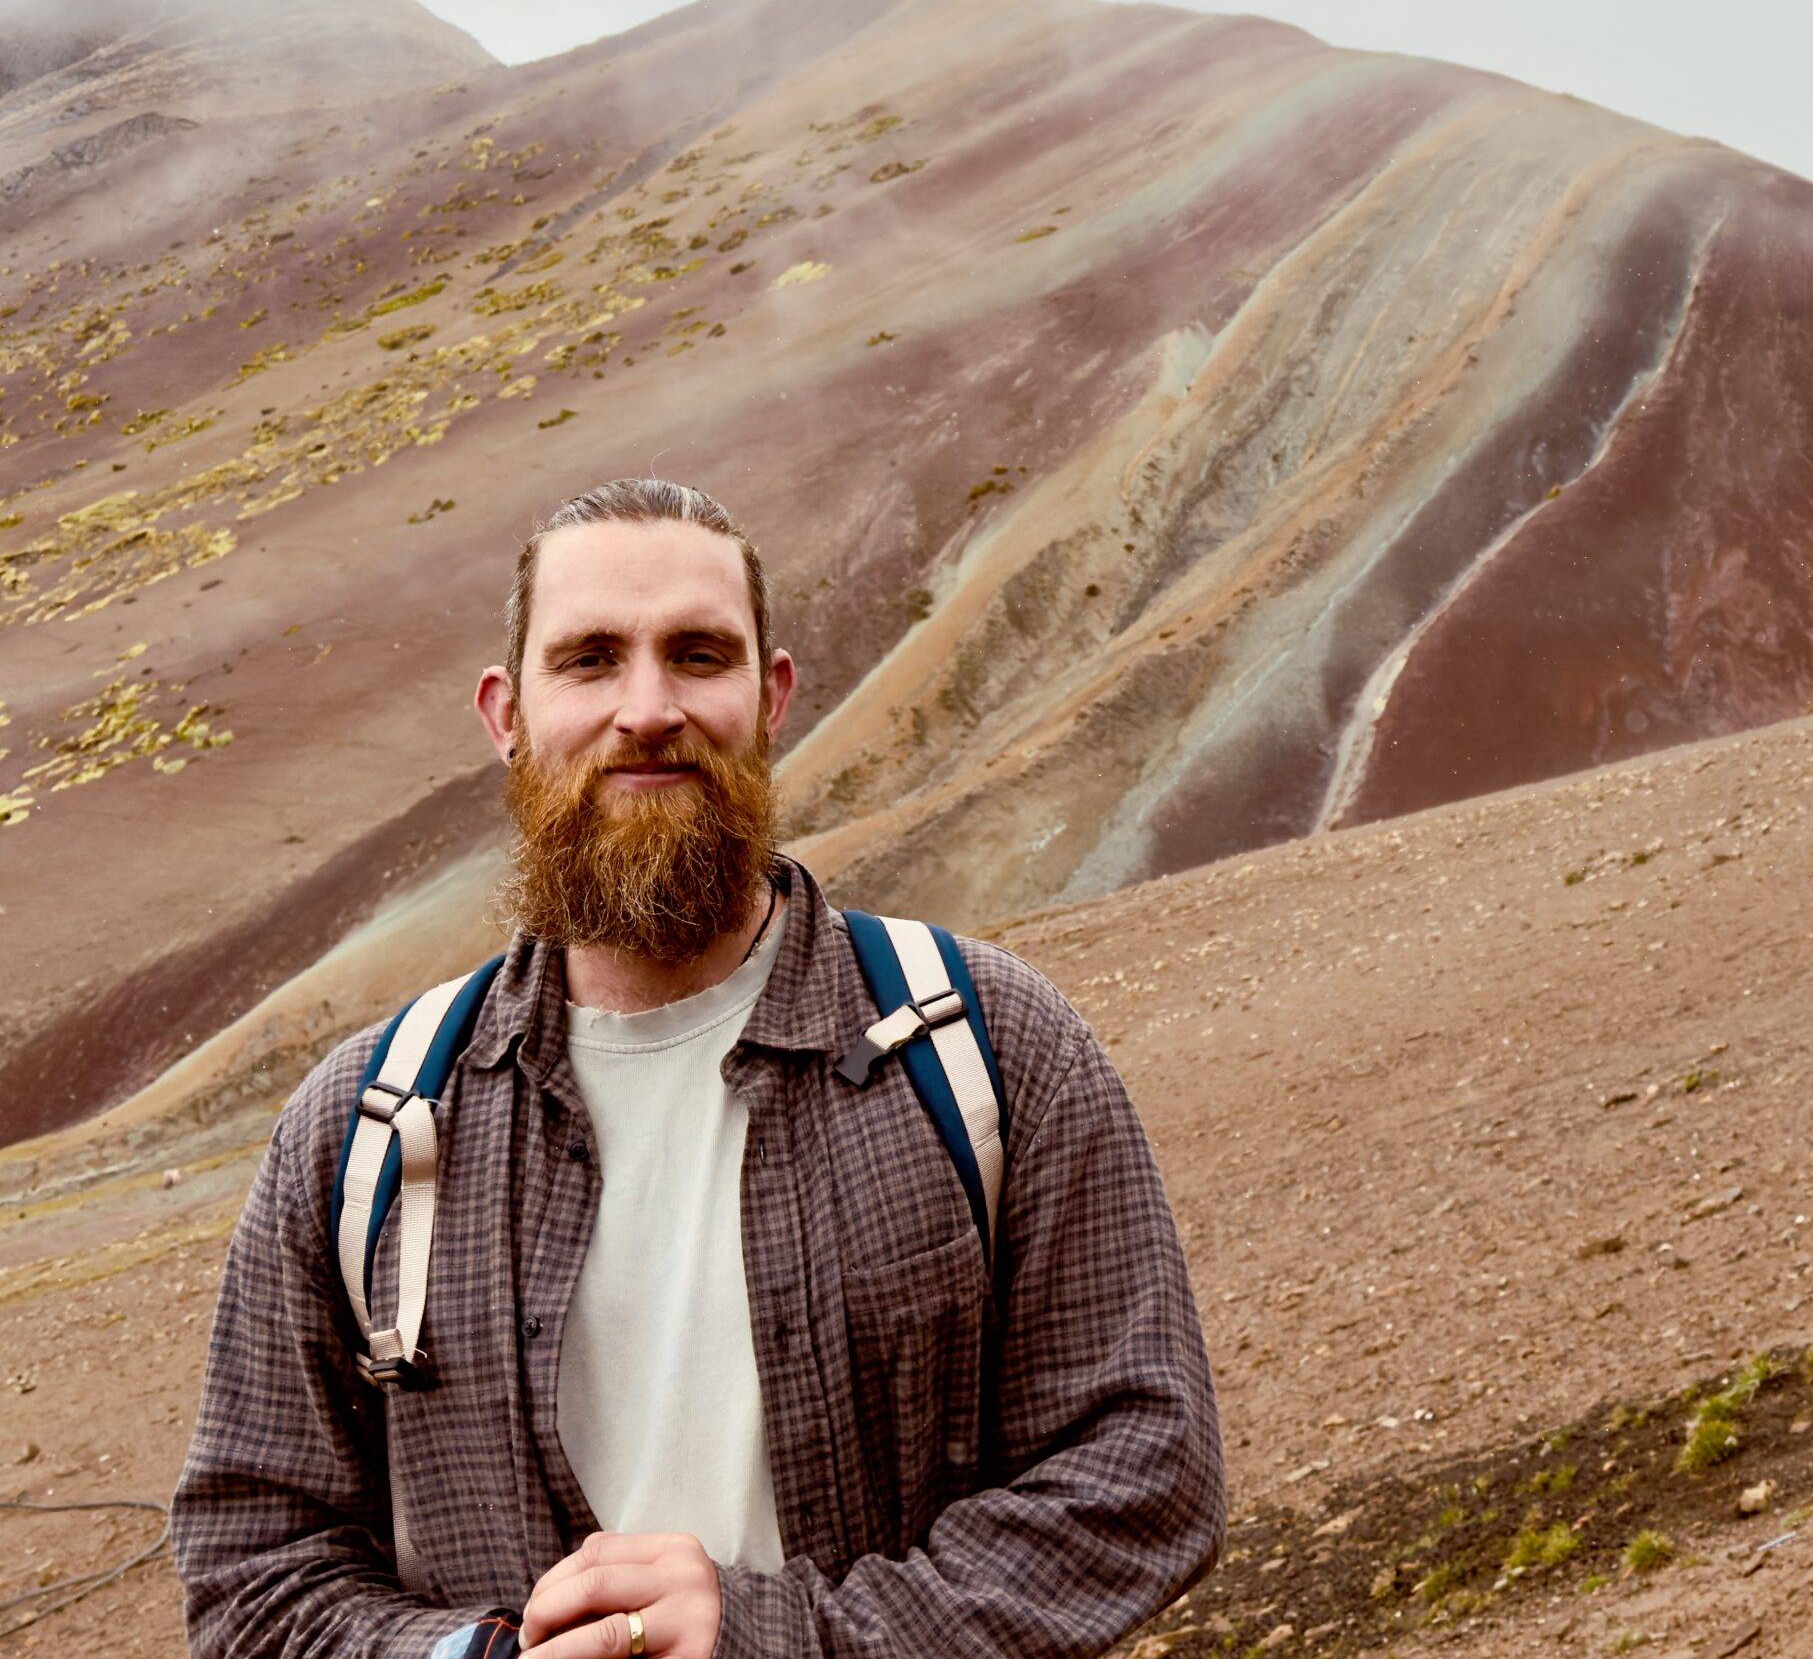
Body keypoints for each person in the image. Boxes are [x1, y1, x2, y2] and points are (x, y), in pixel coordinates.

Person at [171, 477, 1225, 1658]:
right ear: (504, 712)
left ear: (770, 697)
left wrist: (779, 1638)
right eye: (589, 659)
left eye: (698, 654)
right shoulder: (361, 1129)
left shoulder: (987, 1046)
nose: (647, 707)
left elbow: (1144, 1470)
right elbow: (255, 1570)